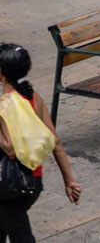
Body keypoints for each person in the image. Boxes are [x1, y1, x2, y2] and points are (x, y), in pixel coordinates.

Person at [0, 43, 81, 243]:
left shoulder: (4, 105)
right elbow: (55, 142)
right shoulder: (34, 98)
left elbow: (10, 150)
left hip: (10, 186)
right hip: (32, 183)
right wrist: (69, 180)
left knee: (21, 235)